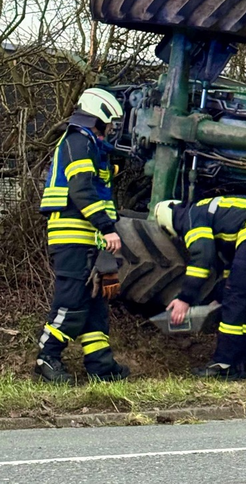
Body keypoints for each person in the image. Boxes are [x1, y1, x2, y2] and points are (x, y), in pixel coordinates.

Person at [36, 88, 130, 383]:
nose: (112, 129)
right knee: (72, 299)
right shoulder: (78, 141)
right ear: (98, 115)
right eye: (110, 123)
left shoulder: (88, 144)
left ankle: (100, 366)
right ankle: (46, 357)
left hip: (84, 236)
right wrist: (107, 227)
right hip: (72, 235)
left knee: (94, 304)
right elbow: (81, 190)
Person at [154, 196, 246, 379]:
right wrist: (221, 296)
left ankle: (224, 365)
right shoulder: (206, 213)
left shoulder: (190, 218)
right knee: (244, 299)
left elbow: (202, 258)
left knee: (236, 299)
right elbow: (232, 265)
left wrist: (184, 299)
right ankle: (238, 364)